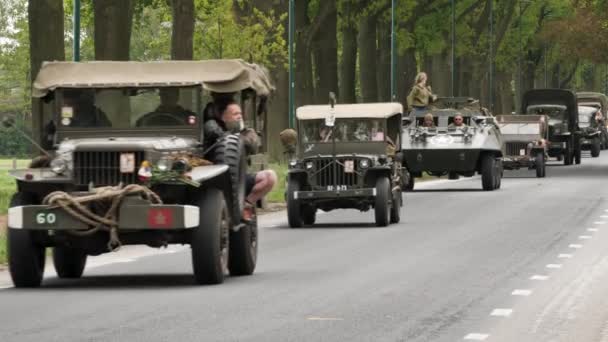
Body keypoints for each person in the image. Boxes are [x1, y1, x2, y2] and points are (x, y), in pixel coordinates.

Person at [205, 98, 277, 222]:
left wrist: (235, 136)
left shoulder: (246, 133)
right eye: (235, 114)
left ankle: (246, 206)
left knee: (269, 177)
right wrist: (218, 132)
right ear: (223, 117)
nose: (239, 117)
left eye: (240, 114)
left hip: (240, 181)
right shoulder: (211, 132)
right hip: (214, 182)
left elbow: (252, 144)